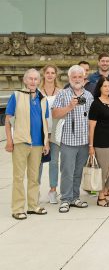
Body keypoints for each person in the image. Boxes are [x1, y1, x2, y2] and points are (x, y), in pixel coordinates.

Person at [4, 69, 50, 220]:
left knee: (34, 177)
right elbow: (8, 119)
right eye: (30, 79)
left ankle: (32, 206)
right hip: (21, 142)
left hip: (38, 144)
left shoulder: (43, 99)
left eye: (35, 79)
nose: (32, 81)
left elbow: (46, 122)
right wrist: (9, 141)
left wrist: (46, 142)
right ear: (25, 81)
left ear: (39, 81)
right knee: (18, 177)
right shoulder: (16, 96)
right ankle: (17, 208)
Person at [52, 65, 94, 213]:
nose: (77, 79)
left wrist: (91, 143)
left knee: (78, 172)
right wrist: (70, 106)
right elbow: (55, 114)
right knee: (67, 171)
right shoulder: (63, 94)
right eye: (74, 77)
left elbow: (91, 120)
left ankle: (75, 197)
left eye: (79, 77)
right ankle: (65, 199)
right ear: (69, 78)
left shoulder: (89, 96)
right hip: (68, 141)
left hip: (84, 141)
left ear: (84, 79)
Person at [88, 77, 109, 207]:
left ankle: (107, 189)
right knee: (102, 171)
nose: (107, 88)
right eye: (105, 86)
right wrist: (91, 145)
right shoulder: (96, 103)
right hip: (101, 142)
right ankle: (101, 196)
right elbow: (91, 126)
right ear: (100, 88)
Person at [39, 64, 62, 205]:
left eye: (52, 72)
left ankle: (53, 190)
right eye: (47, 72)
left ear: (55, 75)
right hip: (40, 131)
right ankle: (34, 190)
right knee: (38, 162)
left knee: (54, 162)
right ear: (44, 74)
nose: (50, 75)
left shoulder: (60, 92)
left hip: (55, 130)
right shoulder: (37, 92)